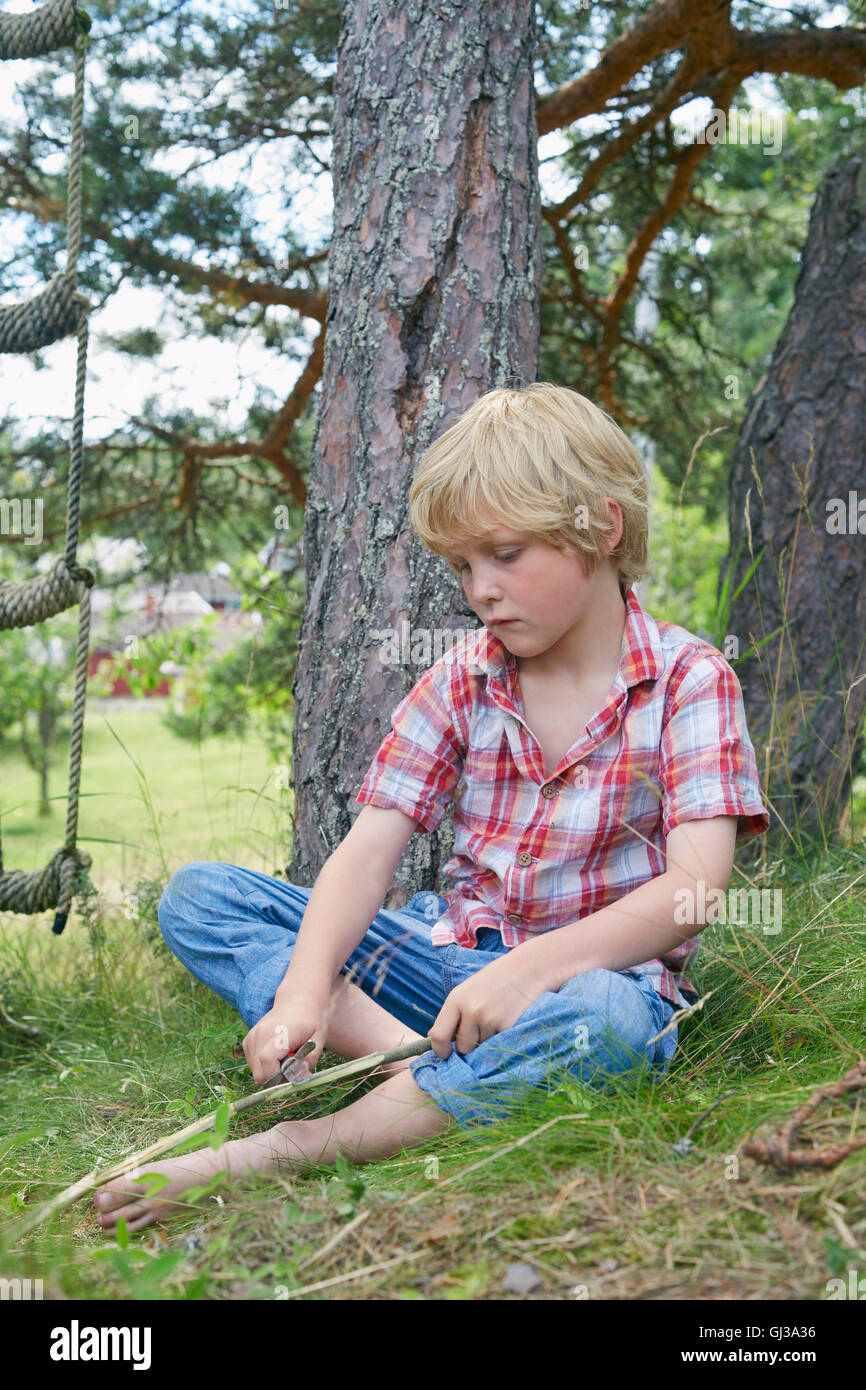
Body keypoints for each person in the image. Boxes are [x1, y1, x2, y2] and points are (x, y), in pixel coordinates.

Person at [93, 382, 769, 1234]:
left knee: (607, 1028)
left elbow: (698, 889)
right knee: (202, 897)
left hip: (581, 988)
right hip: (437, 971)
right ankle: (410, 1069)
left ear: (603, 526)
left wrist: (528, 971)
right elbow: (369, 849)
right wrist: (304, 992)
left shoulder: (688, 680)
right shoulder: (463, 676)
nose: (480, 589)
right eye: (462, 567)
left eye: (505, 554)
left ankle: (299, 1143)